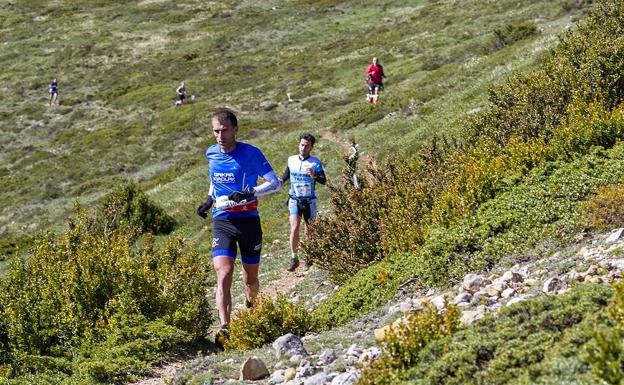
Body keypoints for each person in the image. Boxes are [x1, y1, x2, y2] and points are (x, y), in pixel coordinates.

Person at [196, 109, 281, 349]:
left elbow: (275, 184)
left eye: (224, 130)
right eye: (215, 131)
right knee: (223, 273)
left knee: (250, 277)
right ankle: (225, 328)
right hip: (222, 220)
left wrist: (249, 192)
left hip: (248, 221)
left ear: (235, 130)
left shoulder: (251, 154)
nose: (219, 136)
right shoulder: (211, 153)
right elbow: (215, 180)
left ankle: (251, 306)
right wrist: (209, 199)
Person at [280, 133, 326, 272]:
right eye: (301, 145)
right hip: (294, 199)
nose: (303, 148)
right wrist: (279, 181)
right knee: (294, 228)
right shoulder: (291, 160)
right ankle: (294, 258)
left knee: (309, 230)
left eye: (306, 146)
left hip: (309, 201)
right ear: (298, 145)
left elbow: (324, 181)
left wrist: (314, 175)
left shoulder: (315, 162)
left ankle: (309, 256)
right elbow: (286, 175)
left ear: (311, 147)